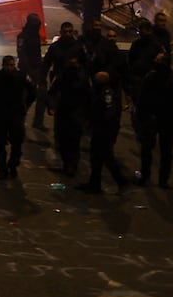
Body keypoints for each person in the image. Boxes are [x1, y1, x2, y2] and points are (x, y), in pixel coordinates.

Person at [0, 55, 37, 180]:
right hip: (1, 113)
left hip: (16, 113)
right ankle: (2, 170)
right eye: (8, 65)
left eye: (12, 65)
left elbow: (33, 91)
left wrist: (26, 106)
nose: (10, 68)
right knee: (0, 143)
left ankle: (13, 165)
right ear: (4, 65)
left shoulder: (21, 76)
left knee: (17, 141)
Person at [134, 50, 173, 188]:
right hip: (153, 118)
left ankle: (159, 179)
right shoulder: (153, 77)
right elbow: (142, 98)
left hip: (162, 118)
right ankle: (150, 177)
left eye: (158, 60)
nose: (155, 61)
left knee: (164, 151)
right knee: (149, 150)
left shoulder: (167, 78)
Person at [83, 70, 130, 194]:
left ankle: (121, 181)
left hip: (105, 130)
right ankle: (94, 184)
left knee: (106, 157)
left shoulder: (106, 93)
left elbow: (108, 113)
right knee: (96, 158)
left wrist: (98, 123)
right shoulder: (99, 92)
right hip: (99, 129)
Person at [47, 49, 90, 177]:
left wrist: (87, 115)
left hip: (75, 113)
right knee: (63, 141)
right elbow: (52, 91)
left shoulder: (82, 77)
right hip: (64, 111)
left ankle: (72, 165)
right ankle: (67, 164)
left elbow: (88, 96)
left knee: (73, 141)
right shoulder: (64, 75)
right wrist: (52, 106)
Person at [15, 15, 47, 131]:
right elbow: (22, 55)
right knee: (26, 98)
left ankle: (38, 122)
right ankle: (20, 121)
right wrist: (29, 72)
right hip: (26, 71)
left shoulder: (35, 35)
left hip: (37, 69)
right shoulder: (23, 37)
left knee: (42, 96)